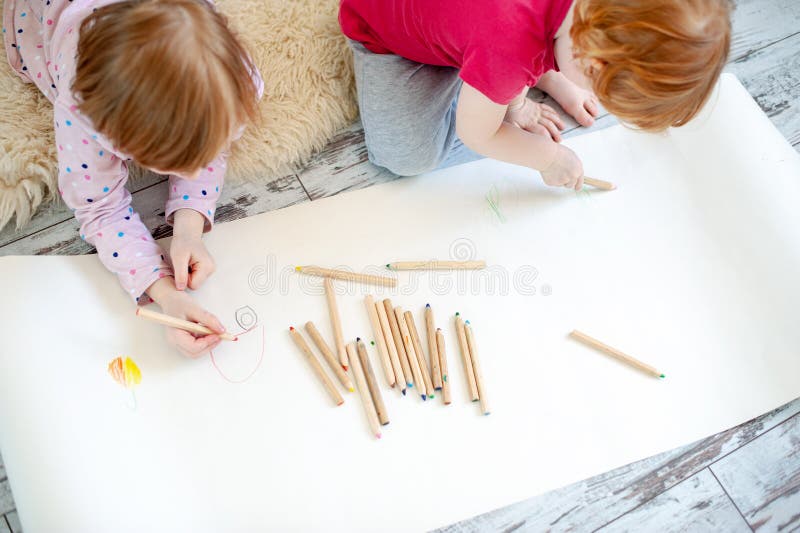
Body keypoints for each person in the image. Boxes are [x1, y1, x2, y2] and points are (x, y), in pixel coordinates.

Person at [3, 0, 262, 357]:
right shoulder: (84, 112)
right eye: (175, 164)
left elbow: (212, 137)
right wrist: (164, 292)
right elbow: (100, 211)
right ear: (117, 140)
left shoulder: (229, 76)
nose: (190, 174)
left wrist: (190, 222)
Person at [339, 0, 731, 189]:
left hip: (481, 33)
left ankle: (528, 76)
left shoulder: (572, 26)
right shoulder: (506, 45)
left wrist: (516, 92)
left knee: (507, 63)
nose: (587, 90)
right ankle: (519, 77)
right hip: (387, 31)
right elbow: (478, 134)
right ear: (588, 58)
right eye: (591, 82)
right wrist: (549, 157)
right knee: (407, 156)